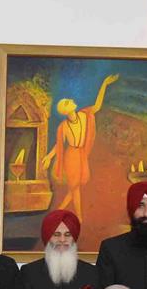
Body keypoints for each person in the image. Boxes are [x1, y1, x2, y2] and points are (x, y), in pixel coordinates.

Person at [41, 73, 119, 219]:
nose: (71, 100)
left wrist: (104, 84)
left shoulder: (84, 115)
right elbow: (58, 145)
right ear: (66, 110)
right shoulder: (63, 126)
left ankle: (58, 212)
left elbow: (97, 106)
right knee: (75, 188)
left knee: (75, 187)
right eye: (67, 102)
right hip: (70, 157)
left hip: (82, 155)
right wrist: (49, 157)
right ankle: (79, 217)